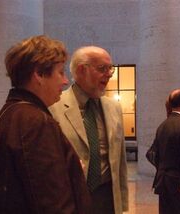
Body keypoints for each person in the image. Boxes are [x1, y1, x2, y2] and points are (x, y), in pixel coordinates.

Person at [0, 35, 91, 213]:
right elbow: (52, 202)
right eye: (60, 72)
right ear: (39, 74)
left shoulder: (9, 113)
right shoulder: (36, 122)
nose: (65, 81)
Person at [49, 46, 128, 214]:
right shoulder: (53, 106)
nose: (109, 74)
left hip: (107, 197)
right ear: (81, 70)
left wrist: (122, 203)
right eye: (102, 69)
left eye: (110, 69)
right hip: (72, 198)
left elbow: (120, 161)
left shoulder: (113, 107)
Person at [149, 89, 180, 214]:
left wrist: (162, 167)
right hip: (178, 181)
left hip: (162, 181)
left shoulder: (162, 125)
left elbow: (152, 154)